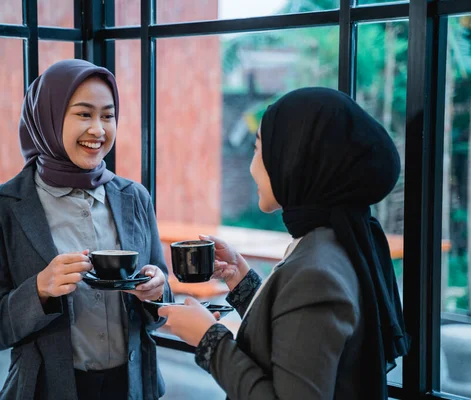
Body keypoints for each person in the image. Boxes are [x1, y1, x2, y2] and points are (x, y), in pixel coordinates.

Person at [159, 87, 410, 400]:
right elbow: (297, 336)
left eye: (259, 148)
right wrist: (244, 282)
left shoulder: (317, 271)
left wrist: (210, 339)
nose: (252, 167)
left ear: (296, 159)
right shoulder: (335, 239)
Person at [0, 59, 172, 400]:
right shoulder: (0, 206)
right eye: (83, 114)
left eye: (108, 116)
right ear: (47, 119)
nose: (98, 129)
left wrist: (156, 293)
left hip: (134, 388)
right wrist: (39, 289)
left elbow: (161, 311)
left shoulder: (135, 197)